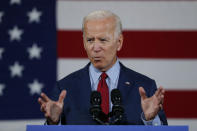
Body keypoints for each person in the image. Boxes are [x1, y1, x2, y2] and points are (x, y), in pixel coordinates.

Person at [38, 10, 168, 125]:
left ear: (119, 42)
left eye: (103, 40)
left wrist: (150, 120)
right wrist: (53, 123)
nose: (95, 48)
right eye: (90, 40)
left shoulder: (145, 86)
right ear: (83, 42)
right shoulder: (65, 88)